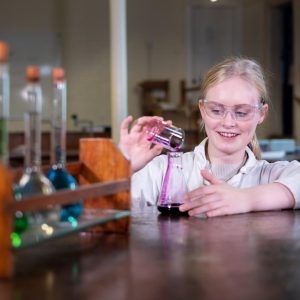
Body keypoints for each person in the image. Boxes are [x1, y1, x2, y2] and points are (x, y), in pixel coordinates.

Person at [119, 57, 300, 217]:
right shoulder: (161, 171)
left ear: (261, 114)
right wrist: (122, 165)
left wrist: (245, 199)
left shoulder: (270, 175)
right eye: (216, 110)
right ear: (202, 110)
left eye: (242, 112)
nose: (228, 122)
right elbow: (103, 210)